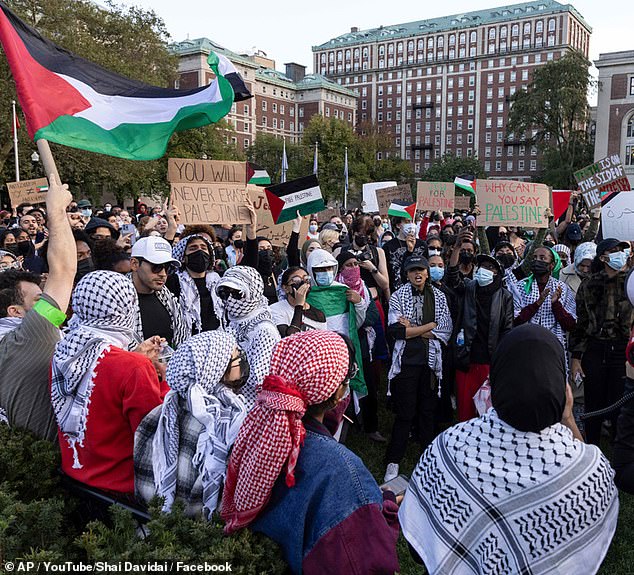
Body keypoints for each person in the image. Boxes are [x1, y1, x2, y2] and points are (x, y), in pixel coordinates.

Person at [398, 324, 619, 575]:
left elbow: (419, 549)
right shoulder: (591, 472)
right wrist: (567, 418)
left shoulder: (449, 446)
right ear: (562, 387)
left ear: (495, 382)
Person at [220, 331, 400, 575]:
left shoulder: (258, 435)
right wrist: (384, 505)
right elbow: (366, 562)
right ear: (337, 393)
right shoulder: (342, 469)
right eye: (349, 377)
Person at [51, 271, 168, 493]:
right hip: (120, 491)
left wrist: (134, 356)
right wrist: (164, 379)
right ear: (127, 307)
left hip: (74, 478)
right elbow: (152, 432)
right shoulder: (133, 367)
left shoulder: (64, 352)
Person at [134, 331, 248, 518]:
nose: (241, 359)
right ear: (216, 368)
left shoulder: (160, 413)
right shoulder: (223, 425)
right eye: (235, 355)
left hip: (152, 521)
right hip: (198, 533)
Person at [0, 174, 76, 441]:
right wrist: (56, 211)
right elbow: (65, 271)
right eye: (37, 300)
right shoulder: (29, 336)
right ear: (16, 312)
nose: (45, 301)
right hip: (47, 469)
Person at [384, 255, 453, 482]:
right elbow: (396, 331)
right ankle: (393, 461)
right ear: (407, 274)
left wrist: (413, 327)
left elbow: (444, 331)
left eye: (421, 270)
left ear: (426, 273)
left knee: (427, 411)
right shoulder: (398, 296)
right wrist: (428, 326)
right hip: (406, 362)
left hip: (431, 363)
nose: (418, 274)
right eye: (413, 270)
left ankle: (429, 458)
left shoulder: (440, 297)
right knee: (405, 413)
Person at [571, 238, 634, 446]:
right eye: (614, 251)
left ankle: (620, 448)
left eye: (621, 251)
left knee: (620, 402)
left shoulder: (631, 282)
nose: (620, 255)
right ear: (603, 257)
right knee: (594, 403)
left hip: (622, 350)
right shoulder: (589, 284)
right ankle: (592, 447)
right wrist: (576, 358)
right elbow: (581, 323)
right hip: (595, 349)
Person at [448, 254, 514, 421]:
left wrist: (499, 361)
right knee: (465, 407)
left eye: (490, 268)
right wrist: (457, 248)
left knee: (487, 409)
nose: (484, 270)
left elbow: (507, 330)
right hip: (467, 358)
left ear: (497, 274)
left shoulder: (505, 296)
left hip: (489, 361)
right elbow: (453, 276)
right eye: (482, 266)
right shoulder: (469, 288)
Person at [214, 265, 280, 410]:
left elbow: (261, 379)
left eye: (236, 293)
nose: (230, 299)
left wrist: (225, 369)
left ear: (252, 292)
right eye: (225, 293)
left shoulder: (263, 330)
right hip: (230, 405)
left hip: (251, 409)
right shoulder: (233, 323)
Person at [513, 247, 576, 354]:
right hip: (524, 343)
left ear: (552, 265)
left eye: (542, 258)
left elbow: (571, 324)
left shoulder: (561, 288)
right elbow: (515, 320)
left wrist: (555, 304)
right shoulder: (520, 286)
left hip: (553, 346)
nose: (537, 261)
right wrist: (537, 303)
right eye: (534, 258)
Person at [130, 236, 188, 348]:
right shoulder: (119, 300)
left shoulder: (168, 298)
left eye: (167, 268)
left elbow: (181, 339)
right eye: (156, 267)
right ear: (135, 264)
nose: (163, 274)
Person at [167, 234, 220, 334]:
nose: (199, 251)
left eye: (204, 248)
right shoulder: (173, 282)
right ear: (183, 257)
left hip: (218, 340)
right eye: (193, 248)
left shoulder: (218, 281)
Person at [269, 267, 326, 336]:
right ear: (285, 288)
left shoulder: (318, 314)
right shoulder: (275, 309)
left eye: (306, 279)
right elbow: (288, 338)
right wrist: (299, 306)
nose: (302, 283)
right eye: (296, 280)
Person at [383, 216, 427, 292]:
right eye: (407, 222)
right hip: (396, 291)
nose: (411, 225)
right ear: (398, 225)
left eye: (413, 221)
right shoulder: (388, 246)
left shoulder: (422, 245)